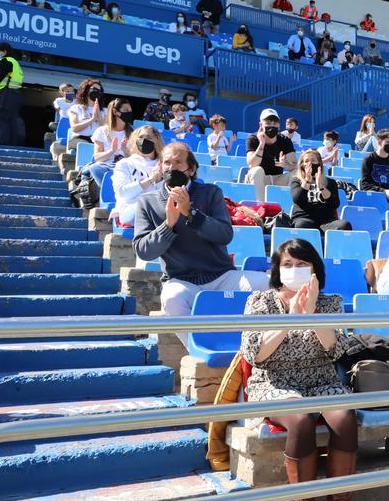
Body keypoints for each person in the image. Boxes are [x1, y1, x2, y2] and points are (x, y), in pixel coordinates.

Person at [239, 238, 356, 501]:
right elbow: (256, 356)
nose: (294, 270)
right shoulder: (260, 302)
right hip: (275, 383)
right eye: (287, 265)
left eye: (302, 264)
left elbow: (335, 350)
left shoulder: (330, 302)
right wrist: (291, 317)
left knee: (345, 418)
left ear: (315, 269)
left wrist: (312, 311)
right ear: (277, 270)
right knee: (301, 421)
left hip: (321, 379)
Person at [132, 142, 267, 344]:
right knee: (172, 299)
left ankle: (250, 347)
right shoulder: (147, 201)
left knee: (265, 283)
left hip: (221, 275)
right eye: (166, 162)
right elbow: (144, 251)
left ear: (191, 168)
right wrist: (168, 224)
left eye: (178, 162)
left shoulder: (211, 193)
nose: (171, 168)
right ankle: (201, 349)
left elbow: (224, 234)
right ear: (159, 167)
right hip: (181, 280)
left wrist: (191, 214)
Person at [110, 126, 164, 226]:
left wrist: (160, 181)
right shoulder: (125, 164)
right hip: (131, 208)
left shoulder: (164, 165)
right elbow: (122, 192)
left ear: (157, 141)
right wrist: (150, 180)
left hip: (159, 208)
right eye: (141, 137)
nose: (144, 141)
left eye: (149, 138)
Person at [290, 150, 351, 232]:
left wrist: (321, 187)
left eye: (313, 160)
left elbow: (335, 204)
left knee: (344, 225)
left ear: (320, 164)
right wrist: (307, 181)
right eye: (307, 161)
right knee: (302, 225)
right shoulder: (296, 181)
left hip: (326, 221)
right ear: (302, 165)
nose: (310, 164)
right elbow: (297, 199)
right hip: (304, 218)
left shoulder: (330, 182)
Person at [245, 108, 297, 201]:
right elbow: (252, 164)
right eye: (268, 123)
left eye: (275, 123)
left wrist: (286, 164)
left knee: (297, 173)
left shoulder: (285, 140)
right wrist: (261, 143)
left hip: (277, 179)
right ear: (261, 124)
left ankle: (288, 206)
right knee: (257, 170)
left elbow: (294, 165)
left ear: (279, 125)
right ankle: (261, 208)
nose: (272, 126)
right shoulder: (253, 138)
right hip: (258, 178)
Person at [83, 97, 130, 185]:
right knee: (95, 168)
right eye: (126, 110)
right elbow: (97, 158)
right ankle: (107, 192)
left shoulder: (134, 133)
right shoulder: (101, 131)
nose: (129, 112)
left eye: (130, 110)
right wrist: (111, 151)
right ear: (115, 112)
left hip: (126, 167)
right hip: (106, 167)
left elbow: (137, 159)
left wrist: (126, 152)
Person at [0, 43, 24, 147]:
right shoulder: (14, 62)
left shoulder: (5, 61)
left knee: (1, 119)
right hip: (13, 94)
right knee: (11, 120)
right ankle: (12, 145)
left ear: (4, 52)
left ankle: (2, 143)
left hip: (5, 94)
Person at [360, 130, 389, 196]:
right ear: (379, 142)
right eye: (388, 142)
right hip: (374, 195)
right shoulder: (368, 160)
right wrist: (384, 191)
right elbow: (365, 185)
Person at [66, 78, 105, 146]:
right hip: (79, 139)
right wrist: (92, 119)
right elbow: (75, 128)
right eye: (95, 89)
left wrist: (98, 114)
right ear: (86, 90)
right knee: (85, 146)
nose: (97, 92)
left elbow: (107, 130)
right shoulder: (76, 108)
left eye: (99, 90)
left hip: (97, 141)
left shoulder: (105, 111)